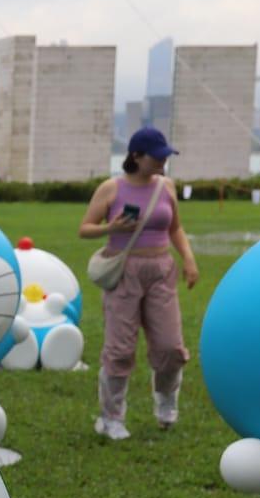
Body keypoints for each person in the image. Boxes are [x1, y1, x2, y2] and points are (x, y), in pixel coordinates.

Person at [79, 125, 199, 440]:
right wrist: (112, 228)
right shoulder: (111, 188)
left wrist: (188, 259)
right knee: (119, 349)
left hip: (161, 270)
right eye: (156, 157)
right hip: (124, 271)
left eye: (165, 156)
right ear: (136, 156)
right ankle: (111, 417)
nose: (162, 161)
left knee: (171, 347)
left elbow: (175, 228)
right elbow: (85, 228)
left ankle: (166, 400)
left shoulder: (166, 186)